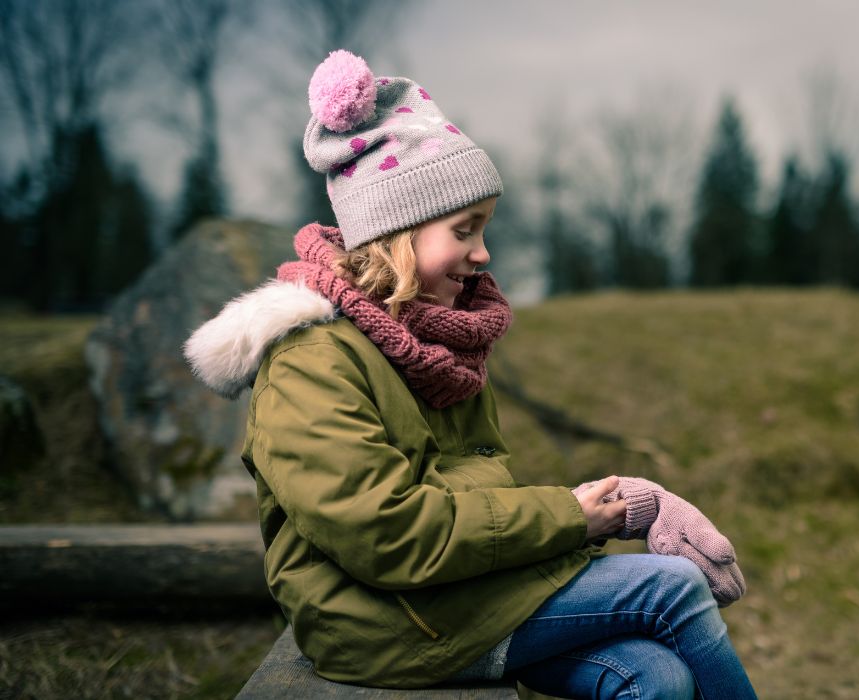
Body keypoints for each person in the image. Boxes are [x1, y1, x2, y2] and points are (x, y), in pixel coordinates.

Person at [185, 50, 756, 700]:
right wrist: (576, 516)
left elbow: (471, 496)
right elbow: (387, 534)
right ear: (397, 232)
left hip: (454, 597)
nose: (483, 254)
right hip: (379, 621)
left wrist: (622, 504)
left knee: (658, 677)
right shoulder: (310, 361)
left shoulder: (435, 343)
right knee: (670, 586)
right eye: (465, 230)